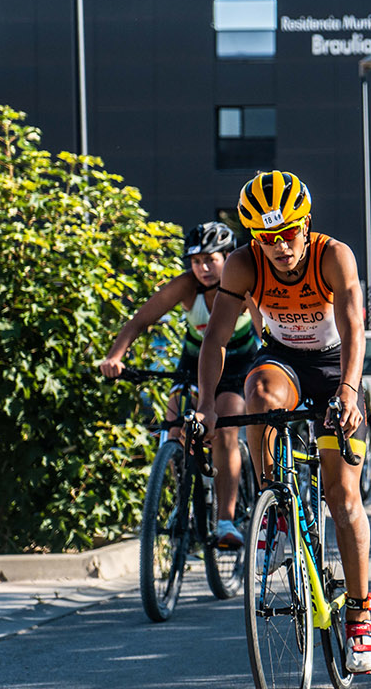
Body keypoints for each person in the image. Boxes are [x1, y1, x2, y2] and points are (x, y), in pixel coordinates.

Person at [191, 171, 371, 672]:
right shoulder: (243, 264)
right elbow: (216, 339)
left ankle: (360, 616)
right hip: (284, 362)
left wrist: (348, 391)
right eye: (266, 237)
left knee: (342, 496)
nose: (279, 246)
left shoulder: (333, 255)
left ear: (306, 224)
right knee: (257, 394)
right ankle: (275, 509)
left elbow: (354, 328)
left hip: (336, 365)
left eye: (288, 232)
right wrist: (207, 404)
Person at [99, 222, 260, 547]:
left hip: (237, 364)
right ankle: (181, 505)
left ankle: (226, 521)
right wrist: (115, 356)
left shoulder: (243, 284)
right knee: (175, 427)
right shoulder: (187, 286)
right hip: (194, 362)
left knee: (225, 428)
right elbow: (140, 320)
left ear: (228, 258)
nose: (202, 268)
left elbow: (263, 327)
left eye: (210, 260)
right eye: (196, 261)